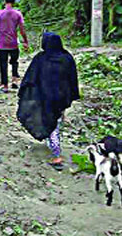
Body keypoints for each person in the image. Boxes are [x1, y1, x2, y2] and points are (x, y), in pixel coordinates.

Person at [16, 32, 80, 167]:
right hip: (62, 98)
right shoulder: (67, 58)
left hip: (44, 97)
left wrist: (25, 93)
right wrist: (72, 96)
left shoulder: (41, 58)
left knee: (51, 123)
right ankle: (51, 143)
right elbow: (73, 79)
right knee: (57, 121)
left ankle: (56, 155)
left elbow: (30, 78)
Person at [0, 0, 29, 93]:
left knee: (3, 64)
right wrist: (25, 42)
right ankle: (15, 79)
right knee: (14, 62)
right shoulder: (18, 14)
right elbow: (22, 30)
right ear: (14, 2)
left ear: (4, 1)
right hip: (13, 43)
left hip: (2, 43)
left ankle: (5, 85)